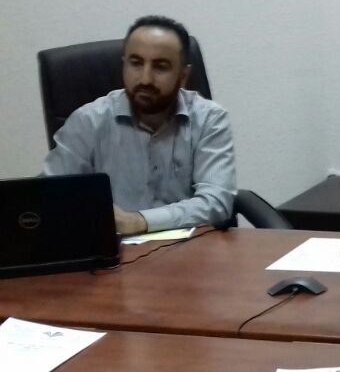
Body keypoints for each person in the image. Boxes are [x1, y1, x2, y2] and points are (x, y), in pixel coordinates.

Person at [42, 15, 236, 235]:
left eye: (160, 67)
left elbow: (216, 202)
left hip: (192, 249)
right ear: (124, 65)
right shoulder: (88, 121)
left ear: (183, 76)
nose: (145, 79)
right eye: (136, 63)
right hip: (113, 249)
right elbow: (48, 198)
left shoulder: (209, 119)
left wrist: (140, 221)